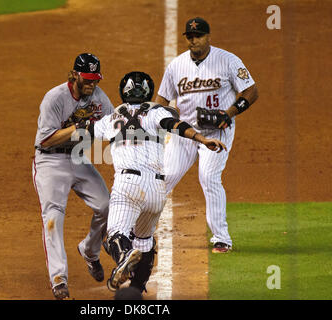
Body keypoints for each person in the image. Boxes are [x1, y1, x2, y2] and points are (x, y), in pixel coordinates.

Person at [85, 71, 226, 293]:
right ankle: (138, 287)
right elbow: (176, 124)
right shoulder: (158, 112)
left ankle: (123, 257)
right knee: (144, 241)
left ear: (123, 91)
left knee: (114, 234)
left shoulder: (111, 118)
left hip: (127, 185)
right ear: (149, 91)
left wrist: (59, 134)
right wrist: (202, 138)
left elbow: (84, 132)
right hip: (156, 191)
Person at [155, 17, 259, 253]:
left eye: (198, 36)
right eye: (190, 36)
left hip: (217, 131)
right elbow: (161, 101)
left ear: (208, 37)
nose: (194, 40)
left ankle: (222, 238)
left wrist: (229, 113)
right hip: (186, 133)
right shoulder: (176, 66)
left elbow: (251, 91)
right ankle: (141, 233)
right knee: (164, 177)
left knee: (209, 177)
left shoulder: (228, 60)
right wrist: (158, 120)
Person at [31, 53, 114, 300]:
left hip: (78, 158)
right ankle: (59, 281)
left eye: (95, 80)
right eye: (87, 80)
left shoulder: (99, 97)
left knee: (106, 205)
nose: (91, 85)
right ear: (75, 75)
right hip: (50, 161)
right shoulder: (55, 98)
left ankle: (90, 251)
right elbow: (45, 139)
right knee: (53, 218)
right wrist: (78, 128)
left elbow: (112, 124)